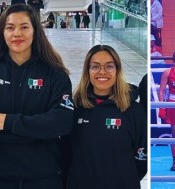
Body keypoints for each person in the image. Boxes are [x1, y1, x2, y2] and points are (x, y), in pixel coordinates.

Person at [0, 4, 73, 189]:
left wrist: (7, 122)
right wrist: (38, 131)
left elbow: (62, 123)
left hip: (43, 179)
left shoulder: (55, 74)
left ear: (35, 31)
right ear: (2, 32)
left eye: (24, 27)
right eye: (10, 27)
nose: (17, 33)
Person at [62, 45, 147, 189]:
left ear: (117, 70)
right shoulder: (75, 108)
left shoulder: (133, 111)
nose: (102, 72)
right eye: (95, 67)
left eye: (109, 66)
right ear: (87, 71)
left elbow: (141, 159)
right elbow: (65, 154)